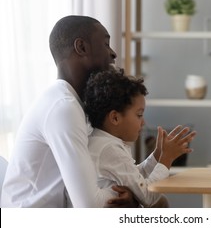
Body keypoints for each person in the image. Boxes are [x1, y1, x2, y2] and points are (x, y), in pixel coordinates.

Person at [1, 15, 137, 207]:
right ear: (81, 47)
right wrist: (131, 193)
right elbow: (89, 205)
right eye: (106, 44)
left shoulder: (72, 103)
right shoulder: (63, 108)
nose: (113, 53)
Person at [83, 68, 196, 208]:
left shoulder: (103, 142)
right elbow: (148, 197)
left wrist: (157, 155)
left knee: (162, 202)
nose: (143, 122)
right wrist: (167, 159)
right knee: (161, 203)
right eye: (139, 115)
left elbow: (134, 178)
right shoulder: (109, 149)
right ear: (115, 117)